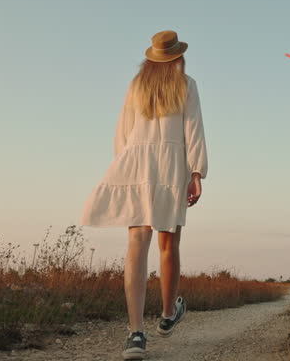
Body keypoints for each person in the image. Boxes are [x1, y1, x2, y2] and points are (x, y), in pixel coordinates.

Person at [80, 30, 208, 360]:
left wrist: (127, 165)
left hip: (136, 164)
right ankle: (168, 314)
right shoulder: (186, 84)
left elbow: (123, 132)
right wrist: (196, 172)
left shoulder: (137, 85)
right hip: (171, 166)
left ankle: (136, 334)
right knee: (169, 242)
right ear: (178, 57)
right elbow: (193, 128)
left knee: (136, 244)